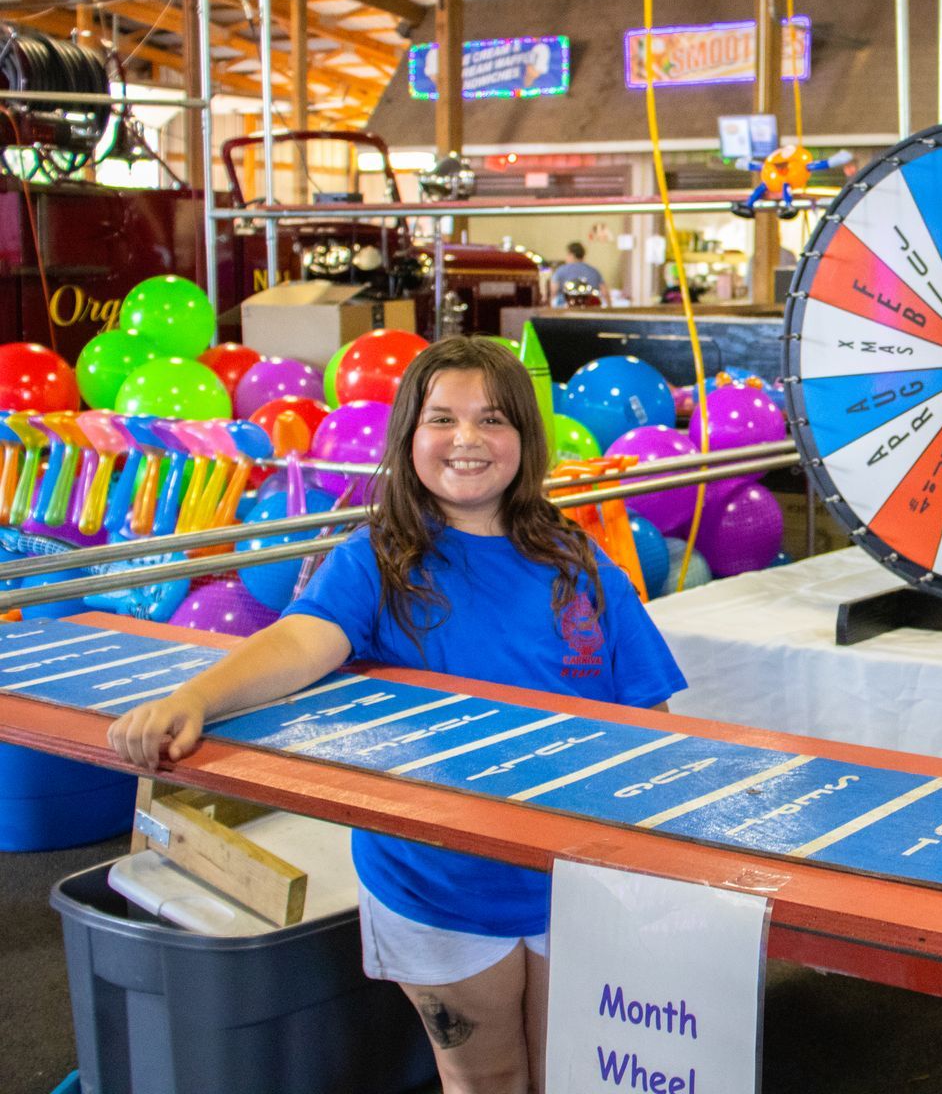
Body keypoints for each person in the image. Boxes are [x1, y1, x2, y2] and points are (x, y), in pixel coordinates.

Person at [108, 336, 687, 1094]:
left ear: (527, 437)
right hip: (438, 882)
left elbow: (652, 711)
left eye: (493, 419)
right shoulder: (378, 558)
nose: (468, 440)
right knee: (486, 1079)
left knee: (570, 1074)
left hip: (575, 879)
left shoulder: (576, 559)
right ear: (409, 435)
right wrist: (196, 697)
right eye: (442, 419)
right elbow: (299, 640)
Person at [548, 241, 609, 307]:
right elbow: (605, 293)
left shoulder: (561, 271)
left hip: (567, 308)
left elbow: (553, 291)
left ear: (571, 255)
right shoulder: (594, 271)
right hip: (590, 307)